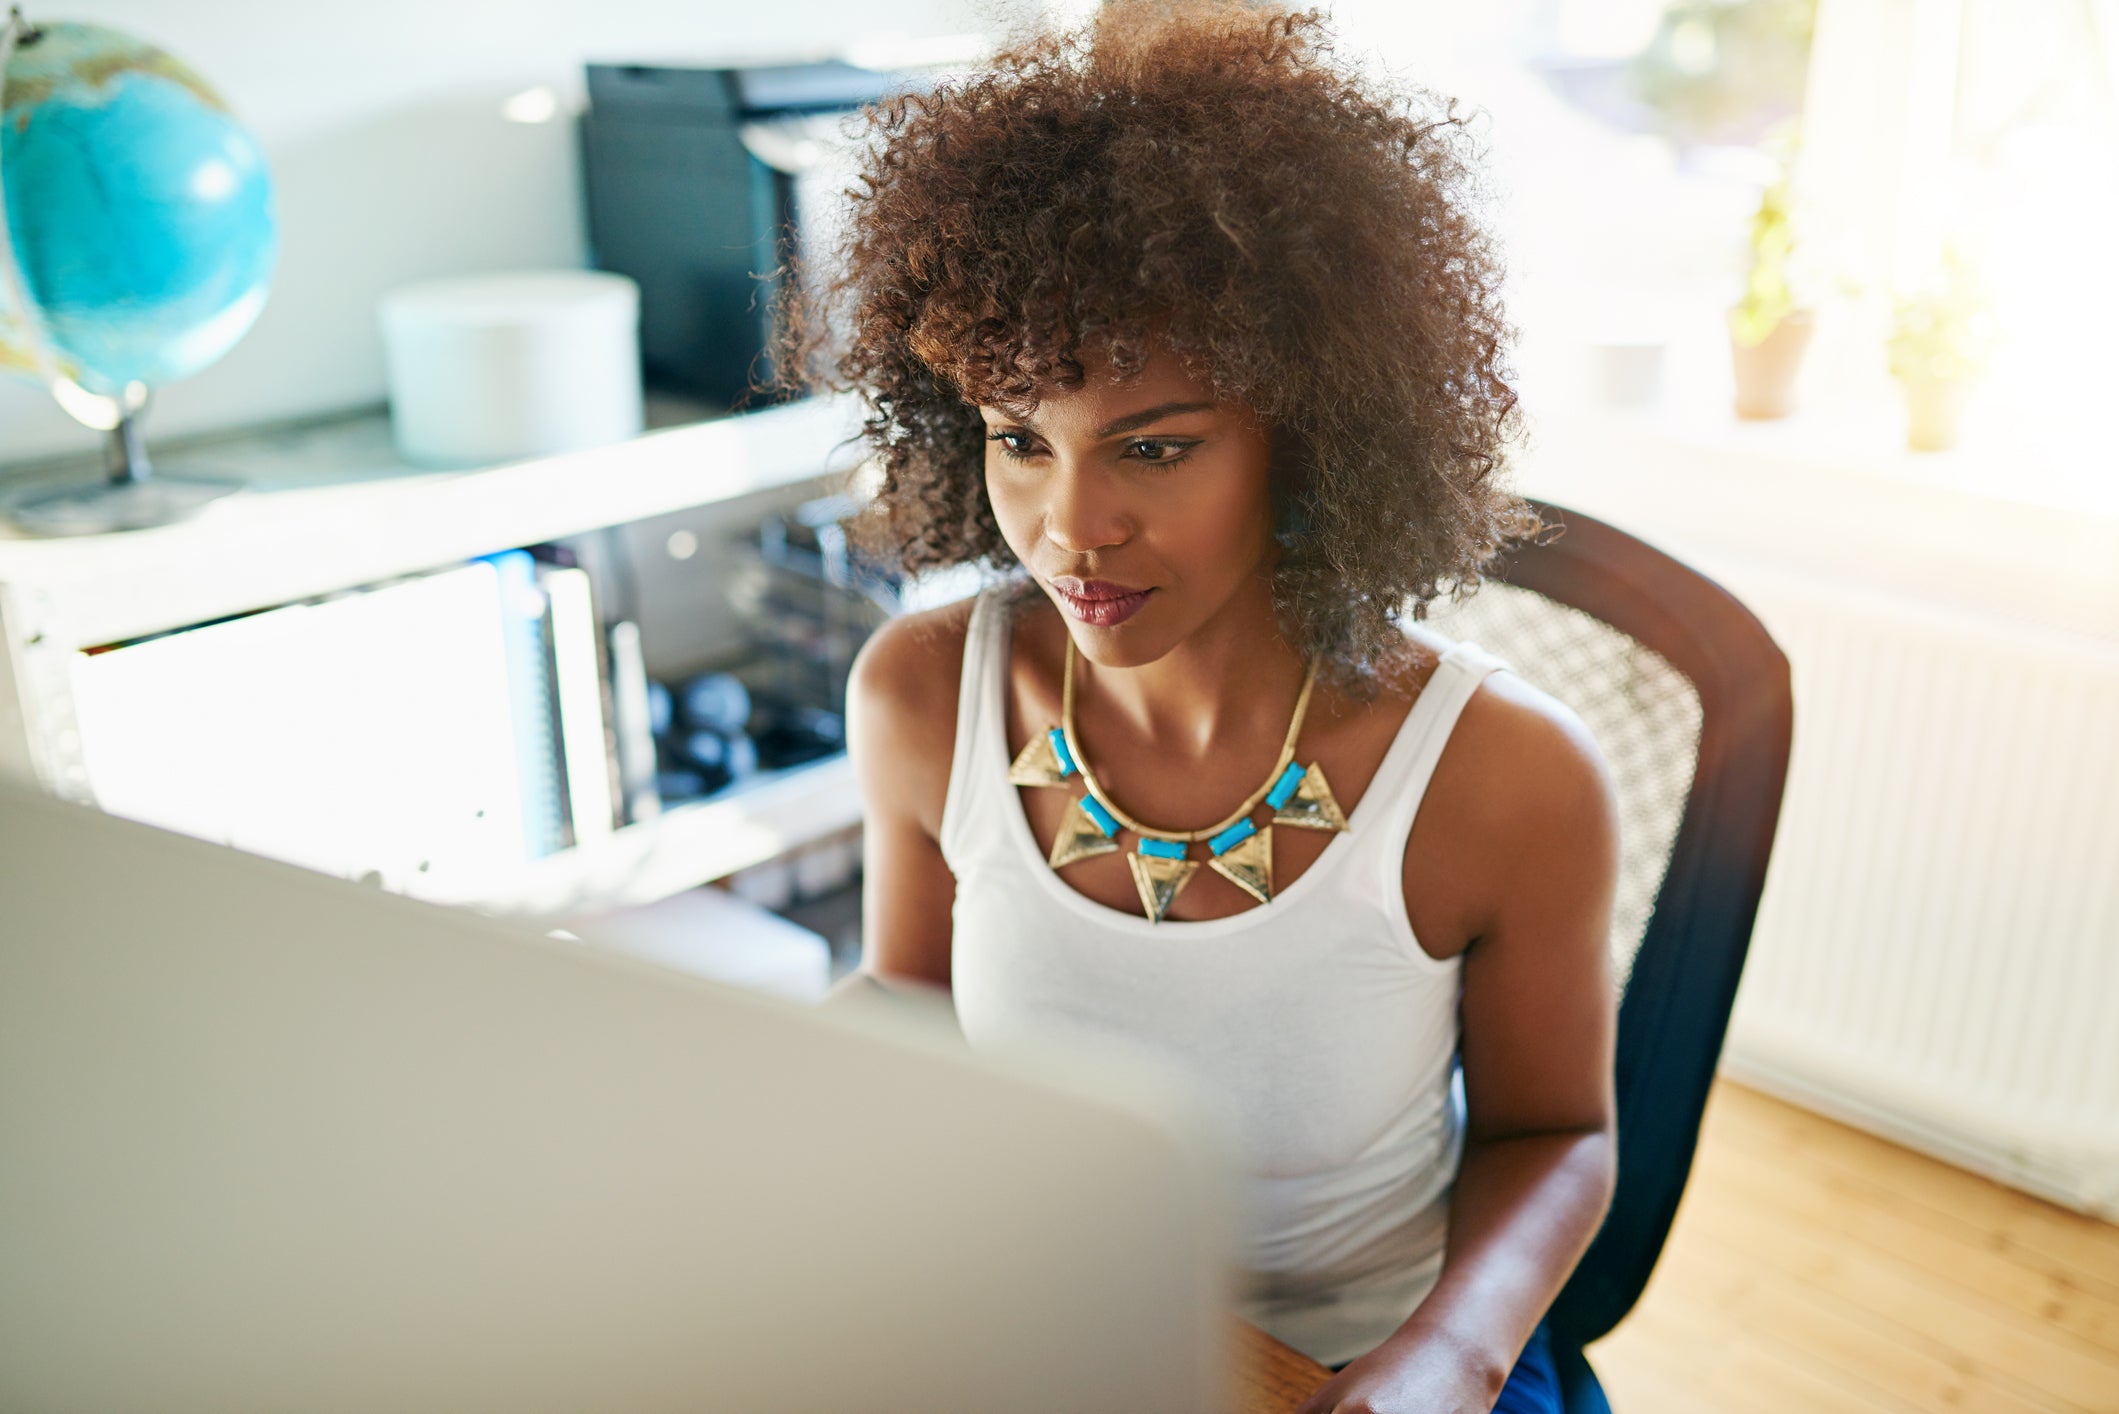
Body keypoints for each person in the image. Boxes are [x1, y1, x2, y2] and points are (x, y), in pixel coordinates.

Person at [781, 4, 1619, 1410]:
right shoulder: (925, 695)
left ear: (1313, 434)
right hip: (1047, 1322)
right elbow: (916, 1000)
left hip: (1369, 1359)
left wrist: (1455, 1357)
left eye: (1153, 447)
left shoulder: (1504, 776)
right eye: (1016, 441)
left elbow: (1558, 1132)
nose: (1068, 528)